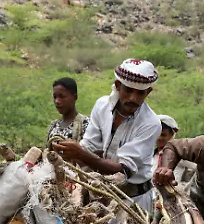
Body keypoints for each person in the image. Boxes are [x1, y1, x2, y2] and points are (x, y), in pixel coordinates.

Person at [53, 59, 161, 213]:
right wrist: (66, 153)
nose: (133, 98)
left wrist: (81, 153)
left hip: (132, 202)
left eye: (140, 93)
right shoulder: (102, 106)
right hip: (102, 194)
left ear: (148, 92)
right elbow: (90, 147)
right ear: (118, 86)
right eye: (128, 90)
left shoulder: (151, 123)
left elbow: (123, 170)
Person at [46, 77, 90, 146]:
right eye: (55, 97)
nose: (57, 101)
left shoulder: (85, 124)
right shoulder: (54, 126)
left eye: (62, 97)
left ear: (75, 97)